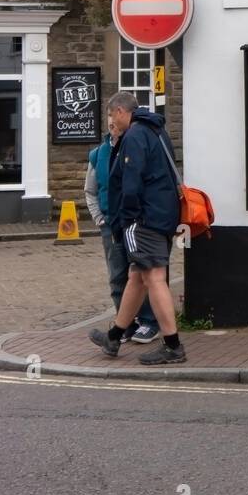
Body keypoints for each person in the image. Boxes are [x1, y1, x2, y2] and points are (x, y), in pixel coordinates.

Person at [88, 92, 185, 365]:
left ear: (120, 111)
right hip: (163, 215)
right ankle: (115, 336)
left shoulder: (134, 135)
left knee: (153, 277)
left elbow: (131, 182)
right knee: (136, 277)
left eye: (110, 115)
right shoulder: (157, 130)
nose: (111, 122)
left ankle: (172, 345)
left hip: (144, 219)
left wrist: (126, 220)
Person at [84, 114, 159, 344]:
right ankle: (125, 323)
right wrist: (99, 218)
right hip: (111, 225)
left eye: (114, 121)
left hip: (135, 223)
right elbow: (90, 190)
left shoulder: (135, 146)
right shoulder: (98, 154)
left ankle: (149, 323)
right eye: (108, 122)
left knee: (141, 273)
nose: (111, 126)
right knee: (117, 277)